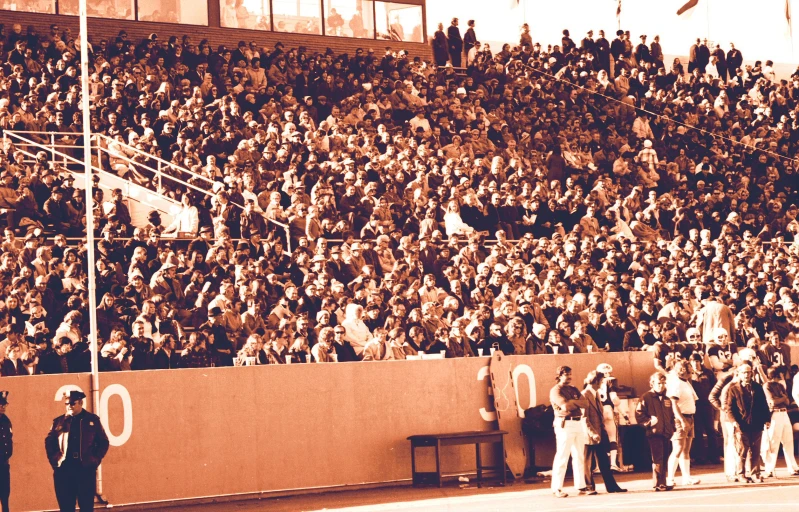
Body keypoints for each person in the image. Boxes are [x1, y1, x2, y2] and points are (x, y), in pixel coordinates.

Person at [45, 391, 110, 512]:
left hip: (84, 471)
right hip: (64, 471)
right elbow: (49, 441)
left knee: (86, 507)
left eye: (72, 403)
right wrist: (55, 461)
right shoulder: (59, 422)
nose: (69, 406)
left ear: (81, 403)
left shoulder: (92, 420)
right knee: (66, 508)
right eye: (66, 403)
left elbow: (103, 442)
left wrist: (94, 460)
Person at [723, 362, 771, 483]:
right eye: (743, 372)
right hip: (741, 424)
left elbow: (764, 405)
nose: (746, 375)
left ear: (752, 373)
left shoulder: (758, 387)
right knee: (742, 450)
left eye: (748, 372)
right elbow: (729, 408)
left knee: (755, 450)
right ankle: (741, 474)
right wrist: (733, 422)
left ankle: (755, 473)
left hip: (756, 423)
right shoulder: (733, 389)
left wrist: (767, 419)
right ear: (739, 373)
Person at [582, 371, 626, 494]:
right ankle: (589, 487)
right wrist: (592, 433)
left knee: (604, 461)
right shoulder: (584, 395)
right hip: (590, 434)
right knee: (588, 461)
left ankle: (611, 486)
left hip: (599, 433)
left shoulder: (595, 394)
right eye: (601, 381)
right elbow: (584, 418)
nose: (602, 384)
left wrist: (601, 430)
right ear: (595, 381)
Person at [549, 365, 589, 498]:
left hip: (578, 422)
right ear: (559, 375)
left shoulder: (574, 389)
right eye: (566, 374)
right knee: (562, 456)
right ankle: (557, 488)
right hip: (565, 423)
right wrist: (575, 402)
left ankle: (581, 486)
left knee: (579, 455)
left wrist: (573, 402)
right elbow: (565, 406)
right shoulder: (556, 390)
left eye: (570, 374)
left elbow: (585, 403)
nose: (569, 377)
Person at [636, 372, 675, 491]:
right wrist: (649, 423)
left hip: (666, 433)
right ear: (652, 384)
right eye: (659, 383)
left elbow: (670, 415)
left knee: (664, 458)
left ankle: (663, 481)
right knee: (657, 458)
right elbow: (639, 414)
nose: (661, 386)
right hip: (654, 433)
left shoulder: (667, 398)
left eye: (663, 383)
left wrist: (672, 428)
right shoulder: (646, 397)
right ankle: (658, 483)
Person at [666, 360, 700, 487]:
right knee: (678, 448)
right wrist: (682, 420)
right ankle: (670, 478)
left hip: (690, 417)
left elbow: (694, 400)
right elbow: (674, 404)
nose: (692, 369)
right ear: (683, 369)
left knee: (686, 450)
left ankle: (686, 477)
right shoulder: (676, 383)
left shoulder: (686, 383)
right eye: (689, 366)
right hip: (681, 419)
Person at [761, 367, 799, 477]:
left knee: (788, 440)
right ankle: (769, 469)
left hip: (784, 412)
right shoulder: (767, 385)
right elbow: (772, 401)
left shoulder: (780, 386)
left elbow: (787, 401)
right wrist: (781, 398)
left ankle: (793, 467)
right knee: (773, 442)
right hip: (774, 414)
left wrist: (781, 398)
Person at [0, 392, 10, 512]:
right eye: (0, 404)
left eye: (4, 404)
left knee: (5, 495)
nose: (3, 407)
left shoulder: (6, 421)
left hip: (4, 465)